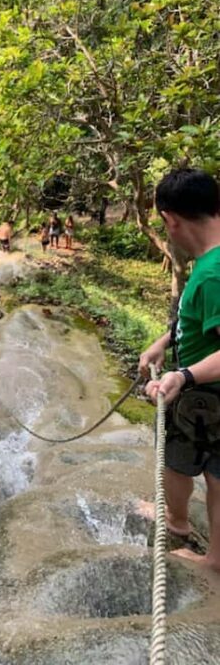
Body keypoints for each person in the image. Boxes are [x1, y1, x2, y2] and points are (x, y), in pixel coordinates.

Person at [138, 168, 220, 572]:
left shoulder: (213, 274)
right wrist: (164, 341)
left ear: (170, 220)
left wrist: (183, 376)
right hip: (204, 385)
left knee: (182, 462)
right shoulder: (212, 263)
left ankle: (180, 526)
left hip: (205, 393)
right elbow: (200, 320)